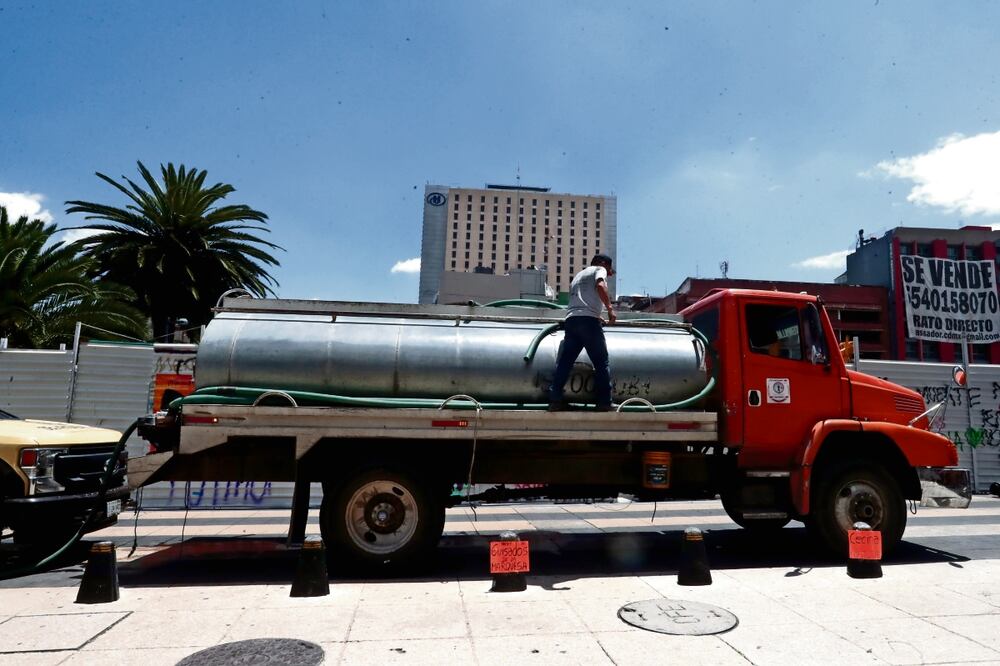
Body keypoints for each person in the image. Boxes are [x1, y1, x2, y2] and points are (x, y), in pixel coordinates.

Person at [548, 253, 616, 411]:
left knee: (565, 362)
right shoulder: (599, 269)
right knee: (601, 362)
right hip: (589, 322)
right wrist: (610, 309)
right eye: (609, 269)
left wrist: (596, 315)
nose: (609, 273)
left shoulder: (578, 275)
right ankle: (605, 402)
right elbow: (600, 286)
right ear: (603, 263)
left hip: (572, 321)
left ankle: (555, 400)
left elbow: (581, 300)